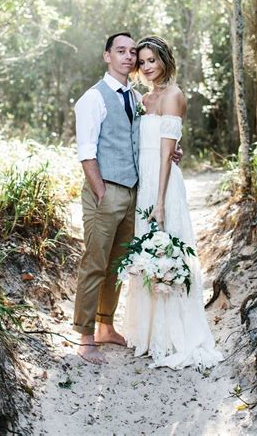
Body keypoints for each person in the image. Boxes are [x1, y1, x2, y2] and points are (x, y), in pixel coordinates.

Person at [72, 31, 181, 364]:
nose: (129, 57)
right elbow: (86, 152)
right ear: (107, 56)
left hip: (133, 194)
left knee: (117, 265)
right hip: (105, 192)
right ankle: (86, 337)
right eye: (120, 51)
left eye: (132, 52)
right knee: (95, 263)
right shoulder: (93, 98)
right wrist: (101, 192)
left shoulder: (136, 98)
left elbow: (150, 137)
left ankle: (106, 326)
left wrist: (173, 150)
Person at [123, 35, 223, 370]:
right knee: (147, 255)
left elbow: (167, 154)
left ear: (165, 60)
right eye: (143, 62)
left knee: (167, 253)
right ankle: (152, 335)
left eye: (153, 60)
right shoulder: (144, 98)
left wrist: (161, 200)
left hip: (163, 184)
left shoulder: (174, 95)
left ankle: (174, 334)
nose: (148, 67)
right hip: (144, 183)